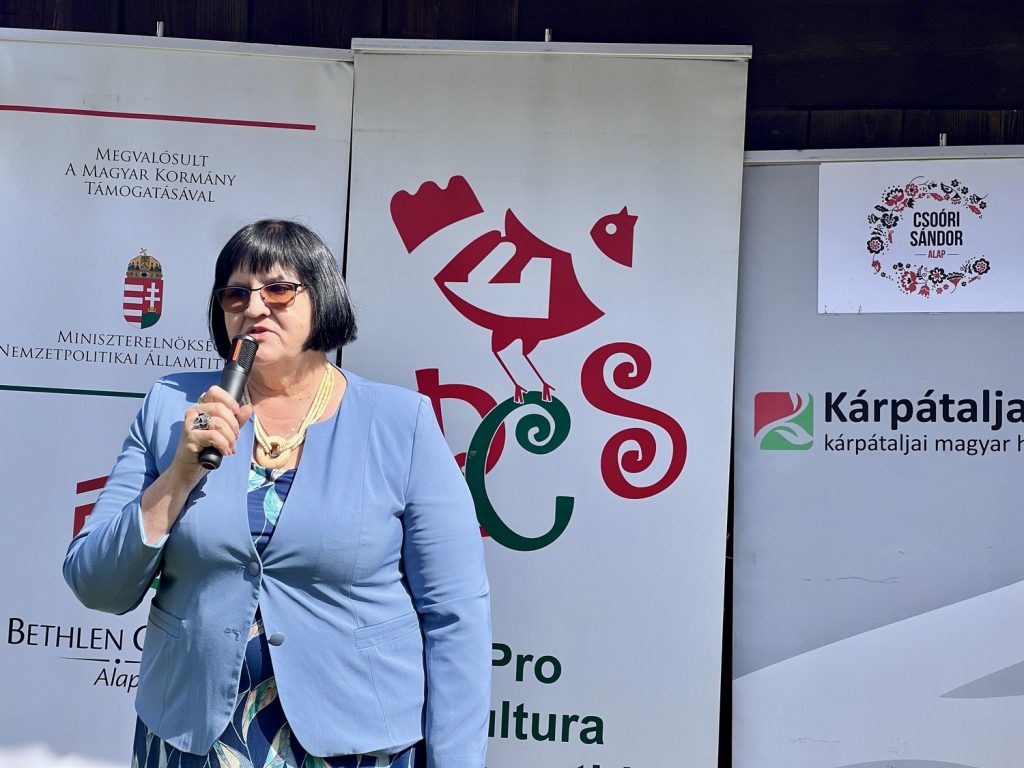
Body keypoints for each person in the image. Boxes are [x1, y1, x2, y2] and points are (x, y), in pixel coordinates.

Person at [63, 219, 491, 768]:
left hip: (356, 743)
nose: (255, 307)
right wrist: (179, 474)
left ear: (323, 298)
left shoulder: (399, 422)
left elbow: (455, 612)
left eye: (279, 290)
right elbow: (96, 584)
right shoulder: (173, 406)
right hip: (193, 739)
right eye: (236, 294)